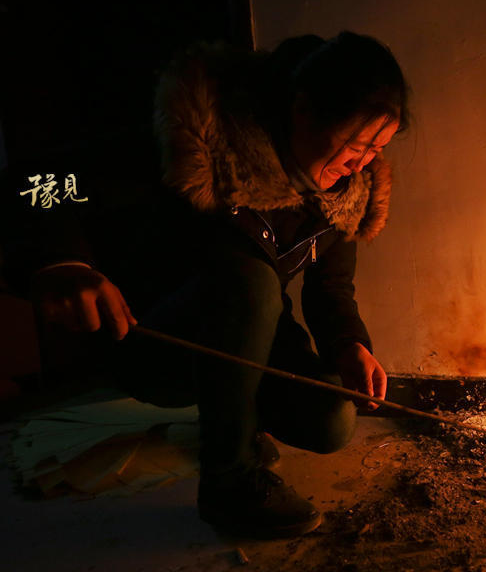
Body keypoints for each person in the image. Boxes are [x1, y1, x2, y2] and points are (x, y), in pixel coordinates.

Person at [14, 31, 410, 538]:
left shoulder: (342, 196)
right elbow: (38, 183)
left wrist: (349, 343)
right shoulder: (206, 146)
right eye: (356, 144)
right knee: (248, 277)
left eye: (377, 148)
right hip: (156, 337)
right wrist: (64, 263)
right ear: (304, 110)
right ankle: (230, 480)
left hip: (249, 343)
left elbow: (331, 289)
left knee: (330, 423)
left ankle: (236, 417)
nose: (362, 163)